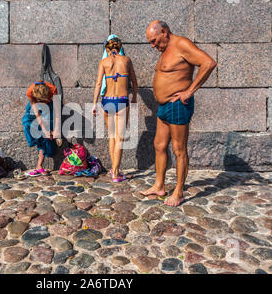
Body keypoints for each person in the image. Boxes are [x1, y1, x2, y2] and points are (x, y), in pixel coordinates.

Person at [140, 20, 216, 206]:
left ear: (164, 32)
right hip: (164, 106)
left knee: (178, 149)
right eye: (150, 42)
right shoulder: (165, 49)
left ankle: (179, 192)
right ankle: (159, 186)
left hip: (177, 105)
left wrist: (189, 91)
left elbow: (208, 63)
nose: (153, 45)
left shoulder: (181, 44)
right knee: (159, 145)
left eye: (155, 40)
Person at [92, 35, 138, 182]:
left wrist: (94, 103)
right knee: (120, 139)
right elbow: (134, 82)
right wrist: (135, 97)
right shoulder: (126, 60)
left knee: (112, 136)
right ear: (120, 47)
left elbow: (99, 84)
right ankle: (116, 173)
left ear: (107, 48)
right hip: (122, 101)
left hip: (107, 101)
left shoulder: (103, 62)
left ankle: (113, 169)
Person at [22, 80, 61, 177]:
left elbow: (57, 111)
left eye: (44, 100)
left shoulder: (53, 90)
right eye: (40, 100)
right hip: (33, 107)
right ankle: (38, 139)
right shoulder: (30, 92)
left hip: (50, 108)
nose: (42, 103)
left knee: (46, 134)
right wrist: (43, 129)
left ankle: (39, 165)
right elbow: (36, 113)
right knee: (26, 121)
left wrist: (56, 129)